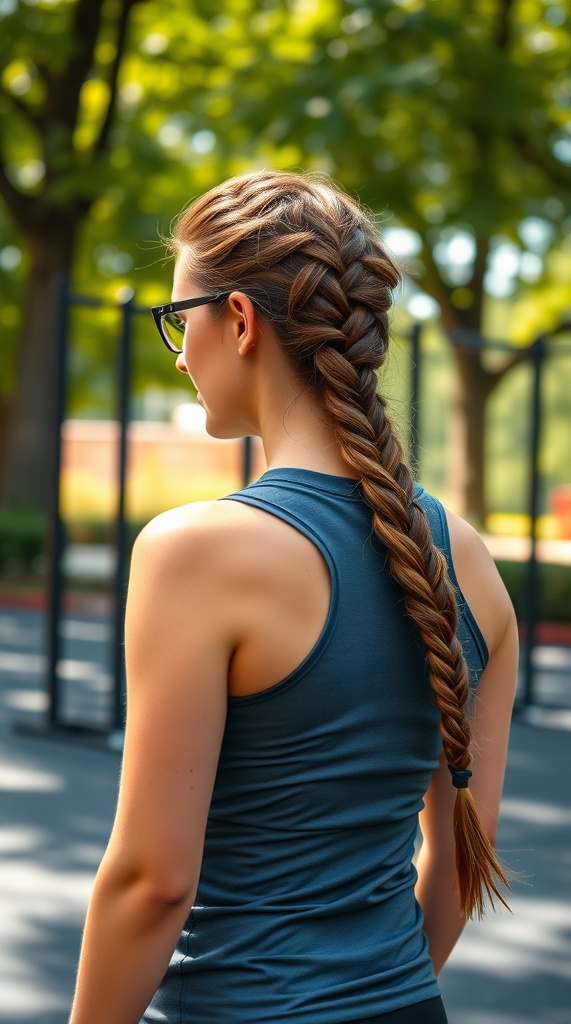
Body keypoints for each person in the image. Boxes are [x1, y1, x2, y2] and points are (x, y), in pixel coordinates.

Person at [69, 171, 518, 1024]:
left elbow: (153, 882)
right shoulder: (467, 562)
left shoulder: (196, 552)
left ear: (238, 322)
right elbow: (464, 852)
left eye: (179, 320)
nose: (178, 352)